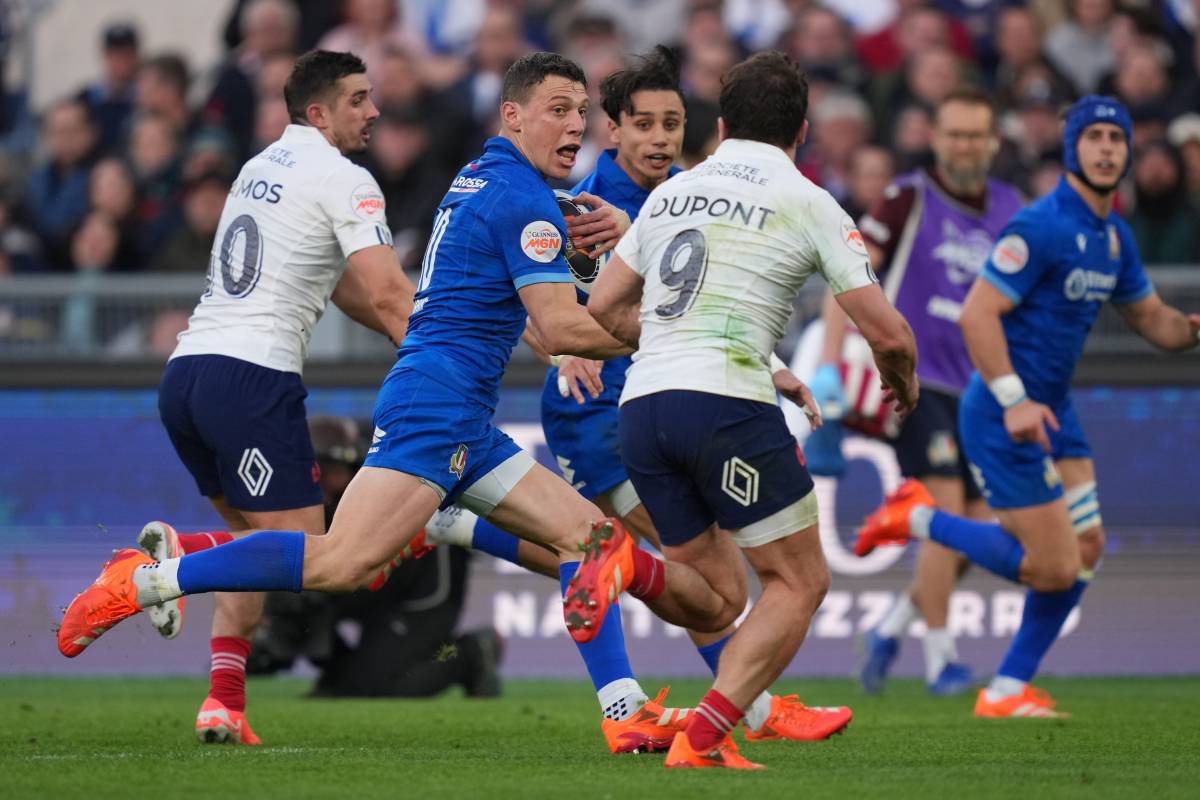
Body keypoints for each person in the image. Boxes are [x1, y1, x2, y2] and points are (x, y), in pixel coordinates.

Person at [56, 52, 747, 755]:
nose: (576, 125)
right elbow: (565, 324)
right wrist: (674, 330)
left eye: (581, 112)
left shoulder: (485, 179)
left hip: (459, 413)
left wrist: (582, 269)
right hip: (437, 409)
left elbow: (514, 302)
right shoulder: (522, 198)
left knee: (590, 540)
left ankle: (624, 711)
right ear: (512, 115)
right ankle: (146, 581)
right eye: (559, 110)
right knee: (338, 563)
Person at [430, 45, 852, 748]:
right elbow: (540, 298)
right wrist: (561, 345)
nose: (660, 139)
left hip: (662, 404)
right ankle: (743, 709)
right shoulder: (583, 203)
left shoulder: (687, 193)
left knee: (642, 564)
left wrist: (771, 364)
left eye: (673, 123)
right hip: (599, 414)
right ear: (615, 131)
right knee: (679, 575)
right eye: (644, 124)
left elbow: (704, 301)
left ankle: (464, 527)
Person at [62, 51, 414, 745]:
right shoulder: (346, 179)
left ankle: (223, 701)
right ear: (320, 112)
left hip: (188, 376)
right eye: (358, 100)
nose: (373, 111)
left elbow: (338, 283)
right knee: (313, 551)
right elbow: (386, 291)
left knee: (258, 553)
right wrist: (437, 360)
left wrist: (395, 327)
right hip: (252, 380)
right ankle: (153, 568)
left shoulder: (260, 167)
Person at [587, 51, 919, 769]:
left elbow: (605, 306)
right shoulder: (808, 199)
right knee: (801, 581)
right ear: (802, 130)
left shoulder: (672, 195)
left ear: (723, 123)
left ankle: (625, 568)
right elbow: (887, 331)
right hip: (727, 403)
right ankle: (704, 739)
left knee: (716, 592)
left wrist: (670, 342)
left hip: (643, 407)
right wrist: (903, 382)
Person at [854, 96, 1200, 718]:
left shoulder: (1113, 237)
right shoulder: (1039, 226)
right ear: (1072, 149)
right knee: (1053, 568)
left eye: (1115, 139)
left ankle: (1008, 688)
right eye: (1092, 137)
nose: (1105, 149)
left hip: (1055, 411)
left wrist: (1192, 328)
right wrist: (1014, 400)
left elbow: (1154, 320)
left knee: (1087, 547)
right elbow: (977, 313)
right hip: (1000, 410)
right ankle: (920, 519)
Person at [813, 87, 1025, 697]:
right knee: (948, 510)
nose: (964, 145)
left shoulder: (1012, 207)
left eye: (974, 135)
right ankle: (942, 661)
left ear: (993, 143)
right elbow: (847, 278)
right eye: (953, 133)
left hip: (983, 389)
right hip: (916, 381)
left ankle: (892, 625)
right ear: (936, 138)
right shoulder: (909, 195)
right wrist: (830, 365)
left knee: (985, 532)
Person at [250, 416, 502, 699]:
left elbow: (360, 562)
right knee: (304, 604)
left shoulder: (375, 487)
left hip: (425, 587)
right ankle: (337, 677)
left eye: (328, 468)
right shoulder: (309, 502)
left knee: (382, 687)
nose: (319, 478)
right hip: (375, 586)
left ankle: (469, 655)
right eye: (313, 470)